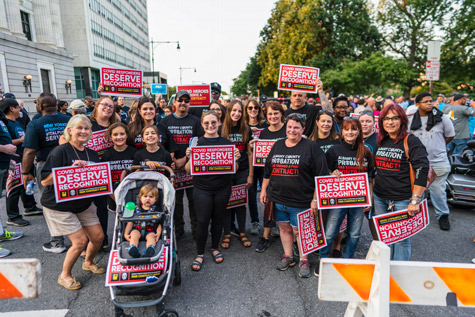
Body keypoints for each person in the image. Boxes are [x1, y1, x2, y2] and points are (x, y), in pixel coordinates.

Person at [40, 115, 105, 290]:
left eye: (87, 128)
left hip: (82, 203)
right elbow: (45, 182)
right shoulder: (60, 151)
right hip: (59, 206)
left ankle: (88, 262)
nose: (84, 131)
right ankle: (65, 275)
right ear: (70, 130)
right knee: (80, 241)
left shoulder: (91, 153)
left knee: (98, 236)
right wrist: (69, 170)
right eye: (80, 128)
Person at [260, 114, 329, 278]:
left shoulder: (311, 147)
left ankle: (304, 260)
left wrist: (315, 199)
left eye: (296, 127)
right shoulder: (277, 145)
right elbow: (268, 171)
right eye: (289, 127)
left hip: (301, 201)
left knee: (300, 231)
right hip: (277, 198)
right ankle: (288, 256)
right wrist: (263, 190)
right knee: (283, 228)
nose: (292, 130)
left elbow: (321, 176)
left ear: (302, 129)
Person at [184, 110, 241, 271]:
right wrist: (189, 156)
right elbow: (188, 170)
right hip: (202, 188)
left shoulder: (227, 144)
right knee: (202, 220)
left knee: (218, 219)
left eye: (213, 122)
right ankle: (200, 253)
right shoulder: (196, 144)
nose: (210, 126)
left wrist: (235, 158)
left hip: (223, 188)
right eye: (207, 123)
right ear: (202, 124)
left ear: (219, 123)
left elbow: (234, 169)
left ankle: (215, 248)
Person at [317, 118, 374, 275]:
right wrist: (331, 174)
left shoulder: (366, 151)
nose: (350, 132)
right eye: (347, 129)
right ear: (341, 131)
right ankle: (323, 260)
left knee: (355, 233)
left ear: (359, 131)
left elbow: (370, 177)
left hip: (358, 200)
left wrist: (370, 198)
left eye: (354, 129)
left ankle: (348, 259)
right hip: (338, 200)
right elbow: (324, 173)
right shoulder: (334, 150)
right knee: (329, 232)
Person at [373, 104, 429, 261]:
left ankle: (399, 276)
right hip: (380, 197)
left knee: (401, 240)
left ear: (402, 120)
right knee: (384, 237)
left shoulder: (411, 140)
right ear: (382, 122)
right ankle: (386, 272)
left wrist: (415, 200)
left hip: (403, 199)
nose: (390, 122)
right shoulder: (381, 140)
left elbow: (422, 169)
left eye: (395, 118)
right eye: (386, 119)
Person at [22, 92, 70, 253]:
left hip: (46, 167)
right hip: (69, 164)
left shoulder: (35, 124)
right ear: (56, 105)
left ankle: (57, 242)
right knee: (70, 198)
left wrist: (25, 172)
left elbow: (29, 151)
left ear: (40, 106)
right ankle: (80, 239)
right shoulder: (68, 119)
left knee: (50, 203)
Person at [159, 90, 203, 239]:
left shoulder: (196, 121)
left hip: (191, 166)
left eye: (186, 101)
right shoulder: (165, 121)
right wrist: (172, 162)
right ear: (174, 103)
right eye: (180, 100)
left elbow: (200, 143)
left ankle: (196, 230)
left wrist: (184, 159)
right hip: (172, 168)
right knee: (175, 202)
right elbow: (162, 144)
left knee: (194, 201)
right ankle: (178, 230)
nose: (183, 103)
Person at [409, 92, 455, 230]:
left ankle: (443, 216)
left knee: (438, 191)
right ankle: (416, 217)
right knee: (417, 191)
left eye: (431, 101)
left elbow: (450, 136)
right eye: (426, 102)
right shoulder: (410, 119)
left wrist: (436, 147)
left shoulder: (442, 118)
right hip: (417, 163)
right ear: (417, 104)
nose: (430, 104)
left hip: (438, 161)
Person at [1, 99, 42, 227]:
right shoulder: (6, 124)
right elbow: (7, 143)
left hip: (24, 159)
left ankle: (30, 207)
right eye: (18, 107)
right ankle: (13, 216)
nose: (21, 110)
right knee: (14, 188)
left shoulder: (16, 122)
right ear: (12, 109)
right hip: (14, 160)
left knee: (27, 183)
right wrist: (21, 140)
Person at [253, 101, 286, 253]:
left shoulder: (288, 130)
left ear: (281, 114)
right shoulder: (264, 133)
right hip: (271, 176)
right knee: (269, 206)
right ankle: (265, 237)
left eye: (276, 113)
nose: (273, 116)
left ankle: (292, 240)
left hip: (288, 176)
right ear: (266, 116)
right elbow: (263, 160)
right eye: (270, 114)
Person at [220, 100, 254, 248]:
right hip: (226, 172)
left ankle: (242, 232)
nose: (237, 114)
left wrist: (251, 175)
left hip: (243, 170)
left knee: (240, 202)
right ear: (228, 112)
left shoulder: (246, 129)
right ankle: (227, 233)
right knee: (227, 202)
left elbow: (250, 153)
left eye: (240, 111)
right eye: (234, 110)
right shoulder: (221, 129)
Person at [244, 98, 268, 234]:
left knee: (268, 195)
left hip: (264, 165)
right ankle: (254, 222)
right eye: (250, 108)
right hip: (250, 165)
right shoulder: (243, 126)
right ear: (246, 110)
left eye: (256, 108)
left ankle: (270, 222)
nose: (253, 110)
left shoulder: (265, 125)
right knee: (252, 195)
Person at [101, 123, 137, 211]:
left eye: (122, 134)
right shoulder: (106, 155)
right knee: (119, 219)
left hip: (132, 192)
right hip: (114, 193)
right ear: (110, 137)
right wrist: (115, 197)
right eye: (115, 134)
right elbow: (105, 180)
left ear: (127, 135)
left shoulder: (134, 152)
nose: (119, 137)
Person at [124, 184, 163, 258]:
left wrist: (158, 234)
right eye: (145, 196)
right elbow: (130, 222)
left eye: (151, 197)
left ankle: (150, 249)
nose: (148, 199)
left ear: (155, 199)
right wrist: (125, 234)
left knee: (151, 237)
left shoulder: (157, 209)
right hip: (137, 229)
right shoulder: (135, 208)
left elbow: (159, 224)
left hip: (150, 230)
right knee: (134, 234)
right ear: (140, 198)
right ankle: (133, 248)